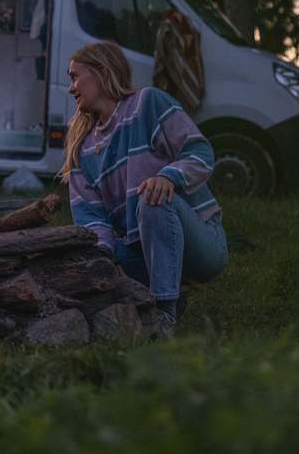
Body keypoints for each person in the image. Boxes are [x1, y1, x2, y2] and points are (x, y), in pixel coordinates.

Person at [61, 41, 228, 335]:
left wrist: (168, 177)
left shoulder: (147, 104)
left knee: (150, 198)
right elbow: (91, 220)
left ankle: (164, 315)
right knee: (82, 253)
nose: (71, 88)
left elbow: (200, 154)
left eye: (75, 76)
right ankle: (143, 302)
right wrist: (106, 260)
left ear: (101, 71)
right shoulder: (81, 150)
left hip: (200, 245)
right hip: (141, 255)